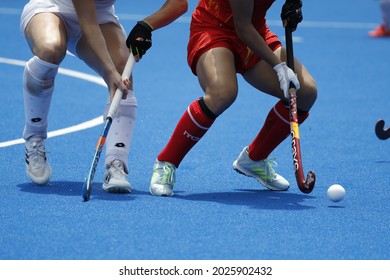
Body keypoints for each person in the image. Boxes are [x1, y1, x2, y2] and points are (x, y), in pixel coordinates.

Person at [149, 0, 317, 196]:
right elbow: (242, 27)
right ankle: (166, 162)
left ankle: (254, 159)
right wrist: (278, 67)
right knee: (222, 92)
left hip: (256, 31)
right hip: (214, 29)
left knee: (306, 92)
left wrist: (294, 3)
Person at [20, 0, 188, 193]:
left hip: (100, 16)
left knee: (122, 67)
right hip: (52, 8)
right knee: (51, 49)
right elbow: (88, 23)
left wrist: (146, 25)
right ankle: (34, 137)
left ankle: (116, 163)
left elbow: (179, 3)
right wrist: (109, 72)